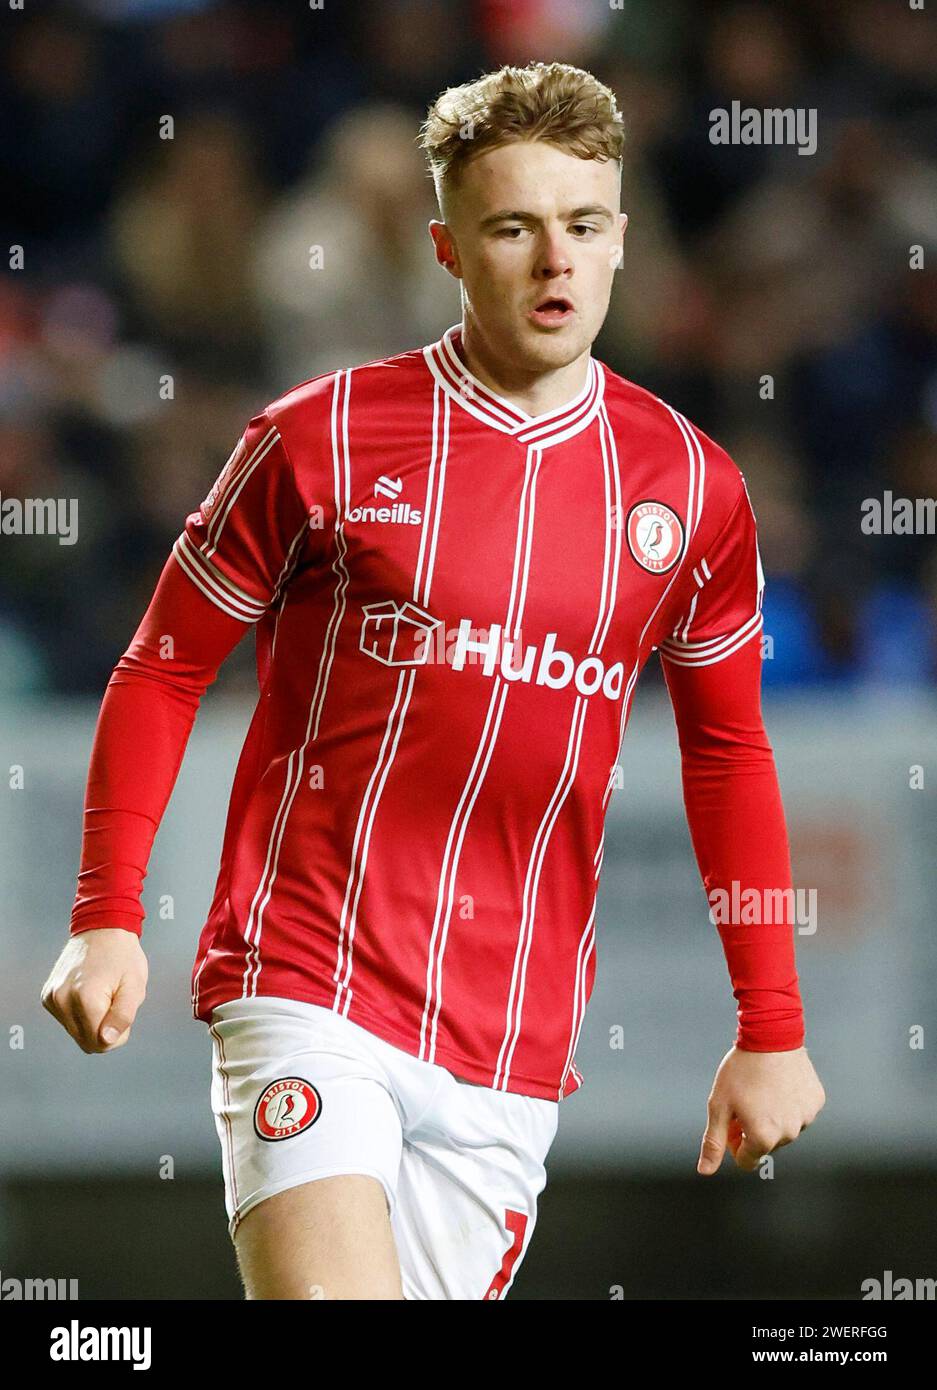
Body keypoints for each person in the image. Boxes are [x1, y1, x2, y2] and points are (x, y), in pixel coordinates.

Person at [41, 61, 825, 1301]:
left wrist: (771, 1027)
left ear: (622, 238)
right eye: (512, 228)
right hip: (308, 977)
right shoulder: (323, 436)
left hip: (508, 1038)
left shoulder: (695, 489)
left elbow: (727, 751)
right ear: (449, 250)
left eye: (582, 226)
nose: (554, 262)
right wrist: (106, 912)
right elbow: (165, 661)